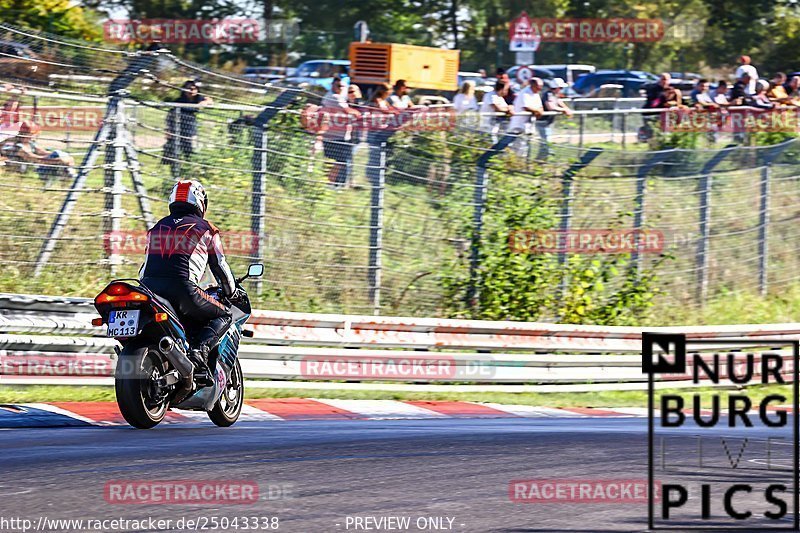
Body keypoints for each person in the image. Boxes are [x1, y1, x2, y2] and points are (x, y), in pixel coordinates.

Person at [139, 180, 237, 394]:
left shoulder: (156, 228)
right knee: (225, 315)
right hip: (183, 289)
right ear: (201, 202)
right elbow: (220, 266)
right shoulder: (207, 229)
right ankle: (199, 351)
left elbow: (143, 269)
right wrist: (232, 291)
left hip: (148, 289)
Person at [0, 120, 75, 179]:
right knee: (61, 161)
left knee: (59, 154)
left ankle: (72, 178)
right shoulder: (17, 146)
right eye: (32, 135)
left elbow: (42, 152)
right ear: (25, 134)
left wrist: (61, 155)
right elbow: (35, 159)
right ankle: (72, 179)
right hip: (27, 171)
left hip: (34, 167)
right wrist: (59, 160)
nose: (33, 137)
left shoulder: (29, 142)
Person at [320, 77, 361, 188]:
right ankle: (330, 184)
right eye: (339, 86)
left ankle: (338, 184)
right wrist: (358, 113)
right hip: (333, 135)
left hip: (340, 135)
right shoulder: (333, 97)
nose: (341, 88)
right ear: (332, 85)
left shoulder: (341, 97)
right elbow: (348, 111)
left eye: (343, 86)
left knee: (340, 161)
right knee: (338, 161)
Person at [164, 80, 214, 162]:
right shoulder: (179, 101)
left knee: (190, 147)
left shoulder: (198, 98)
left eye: (194, 89)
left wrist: (204, 103)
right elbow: (170, 115)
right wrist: (168, 130)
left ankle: (189, 164)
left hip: (190, 126)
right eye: (189, 89)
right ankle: (175, 166)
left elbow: (209, 100)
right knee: (174, 147)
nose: (192, 91)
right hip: (177, 125)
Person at [536, 78, 572, 159]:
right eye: (560, 88)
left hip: (547, 122)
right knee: (546, 143)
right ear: (556, 87)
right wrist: (564, 110)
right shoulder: (549, 94)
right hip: (543, 122)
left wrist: (566, 108)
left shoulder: (554, 94)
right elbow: (550, 107)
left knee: (547, 142)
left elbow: (559, 102)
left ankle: (542, 159)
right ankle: (540, 160)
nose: (561, 90)